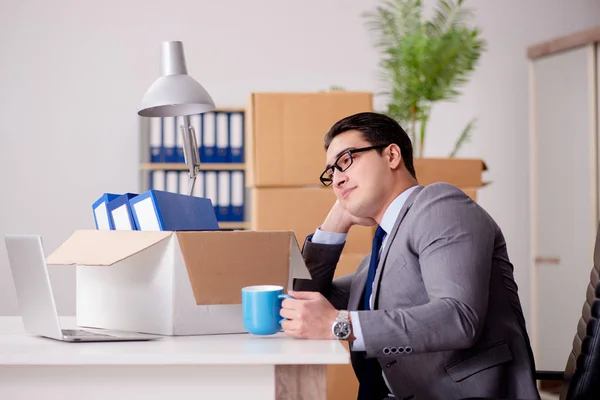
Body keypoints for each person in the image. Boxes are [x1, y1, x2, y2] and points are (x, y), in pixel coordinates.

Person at [280, 112, 540, 400]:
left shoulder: (440, 206)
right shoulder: (377, 258)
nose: (338, 180)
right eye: (331, 173)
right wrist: (336, 223)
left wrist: (341, 326)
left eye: (346, 161)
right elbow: (304, 303)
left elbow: (458, 317)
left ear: (392, 155)